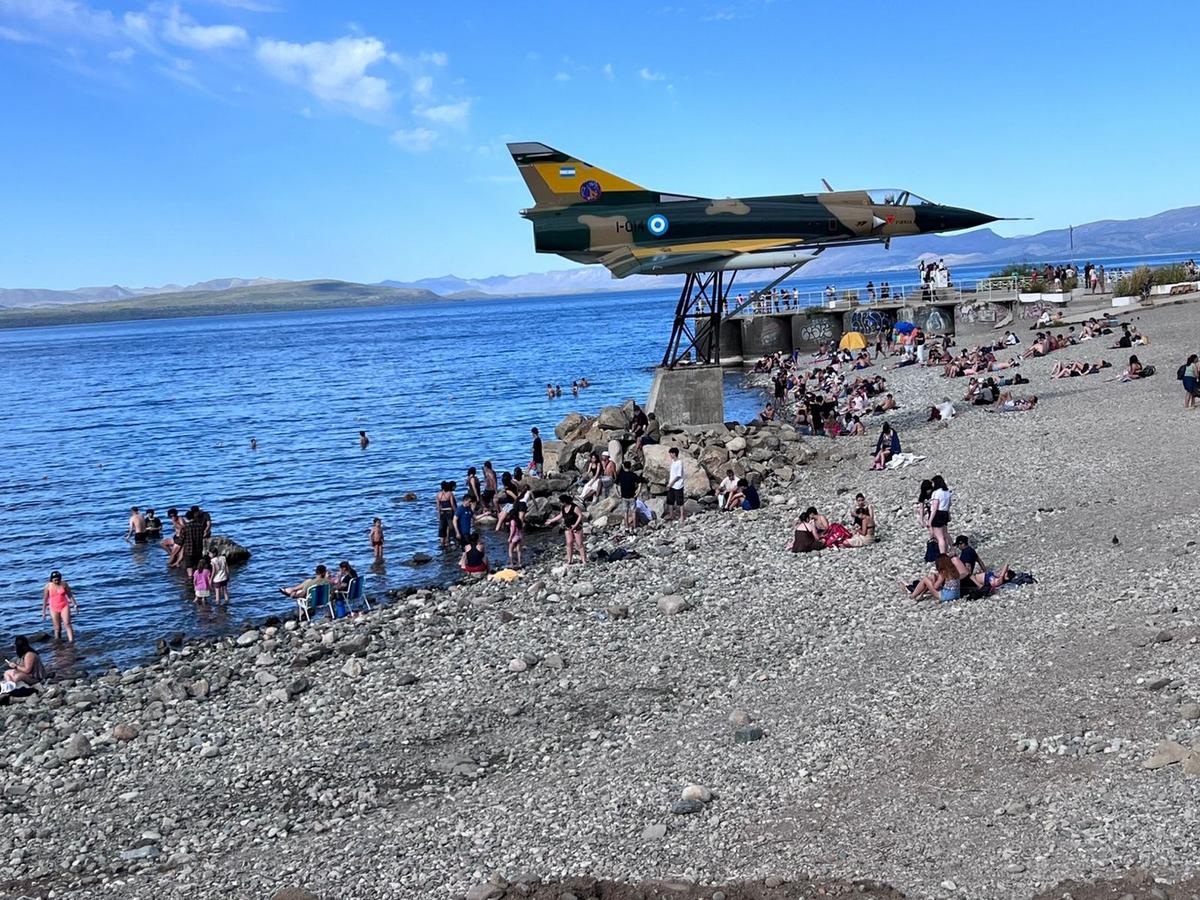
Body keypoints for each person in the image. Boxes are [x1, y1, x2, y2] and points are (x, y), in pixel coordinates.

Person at [546, 494, 587, 565]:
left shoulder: (574, 507)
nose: (560, 503)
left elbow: (580, 516)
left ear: (565, 501)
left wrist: (575, 525)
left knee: (579, 543)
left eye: (561, 502)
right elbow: (560, 515)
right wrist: (551, 520)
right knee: (569, 543)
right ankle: (569, 560)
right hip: (567, 527)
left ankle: (584, 560)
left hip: (576, 527)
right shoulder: (563, 508)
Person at [41, 571, 78, 643]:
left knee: (67, 623)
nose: (57, 581)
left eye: (58, 579)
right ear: (51, 579)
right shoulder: (48, 586)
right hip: (53, 607)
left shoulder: (64, 584)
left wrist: (75, 605)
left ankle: (71, 641)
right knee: (57, 627)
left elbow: (70, 595)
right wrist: (44, 612)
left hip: (64, 605)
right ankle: (58, 641)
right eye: (55, 580)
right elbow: (45, 599)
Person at [615, 460, 645, 532]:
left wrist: (618, 494)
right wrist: (637, 493)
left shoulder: (621, 475)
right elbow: (640, 483)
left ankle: (626, 527)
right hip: (632, 496)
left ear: (623, 466)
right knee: (633, 512)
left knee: (625, 512)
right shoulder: (633, 475)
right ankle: (634, 528)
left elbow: (615, 485)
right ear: (630, 466)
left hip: (624, 496)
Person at [929, 474, 953, 554]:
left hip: (938, 514)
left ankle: (943, 554)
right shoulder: (947, 492)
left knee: (939, 537)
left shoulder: (936, 493)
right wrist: (949, 514)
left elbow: (935, 507)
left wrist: (930, 520)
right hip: (945, 513)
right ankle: (951, 548)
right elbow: (949, 504)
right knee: (945, 533)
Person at [180, 508, 206, 575]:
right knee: (199, 566)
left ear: (187, 518)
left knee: (189, 567)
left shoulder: (185, 527)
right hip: (199, 549)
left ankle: (190, 581)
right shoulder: (200, 526)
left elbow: (181, 540)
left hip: (189, 550)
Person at [665, 447, 686, 523]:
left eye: (671, 453)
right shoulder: (673, 462)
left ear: (674, 454)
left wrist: (671, 483)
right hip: (671, 485)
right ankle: (671, 515)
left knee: (680, 501)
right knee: (670, 501)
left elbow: (678, 475)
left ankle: (682, 517)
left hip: (678, 485)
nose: (670, 455)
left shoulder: (679, 462)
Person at [435, 481, 457, 549]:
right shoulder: (449, 494)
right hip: (449, 511)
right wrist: (456, 512)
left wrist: (438, 514)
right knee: (450, 527)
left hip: (442, 512)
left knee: (442, 527)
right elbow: (452, 504)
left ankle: (442, 543)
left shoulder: (438, 495)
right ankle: (448, 541)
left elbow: (438, 506)